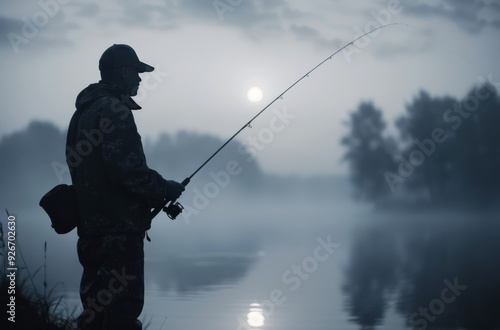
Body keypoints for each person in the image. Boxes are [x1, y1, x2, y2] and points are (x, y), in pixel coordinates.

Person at [66, 44, 185, 330]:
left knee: (95, 314)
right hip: (118, 235)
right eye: (137, 72)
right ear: (123, 72)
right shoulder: (114, 110)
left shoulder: (83, 113)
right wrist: (164, 188)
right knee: (120, 316)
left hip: (91, 232)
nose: (140, 79)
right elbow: (128, 171)